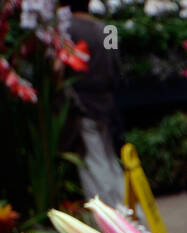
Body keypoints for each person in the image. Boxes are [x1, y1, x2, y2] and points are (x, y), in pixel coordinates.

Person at [65, 0, 125, 205]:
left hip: (83, 106)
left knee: (94, 165)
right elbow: (117, 70)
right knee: (110, 162)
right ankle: (130, 216)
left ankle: (109, 218)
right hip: (107, 106)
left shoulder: (68, 28)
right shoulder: (106, 29)